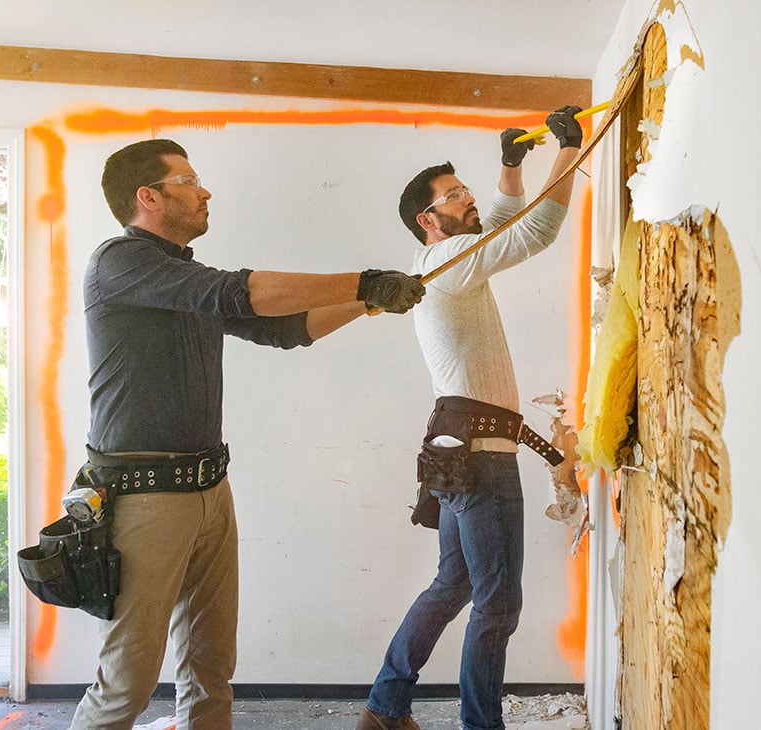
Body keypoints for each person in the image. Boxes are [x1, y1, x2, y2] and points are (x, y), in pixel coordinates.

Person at [70, 138, 425, 730]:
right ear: (148, 197)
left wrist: (370, 303)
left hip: (209, 488)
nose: (204, 191)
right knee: (125, 685)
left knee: (210, 670)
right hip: (144, 497)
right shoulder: (121, 262)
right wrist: (363, 282)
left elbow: (284, 329)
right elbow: (242, 290)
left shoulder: (181, 277)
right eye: (188, 182)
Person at [357, 106, 583, 730]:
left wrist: (511, 167)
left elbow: (504, 227)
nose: (469, 197)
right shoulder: (449, 260)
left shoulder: (445, 263)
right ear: (428, 221)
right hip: (480, 460)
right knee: (498, 603)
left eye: (466, 188)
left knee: (453, 585)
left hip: (461, 452)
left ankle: (384, 707)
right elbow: (533, 234)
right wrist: (569, 151)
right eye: (455, 195)